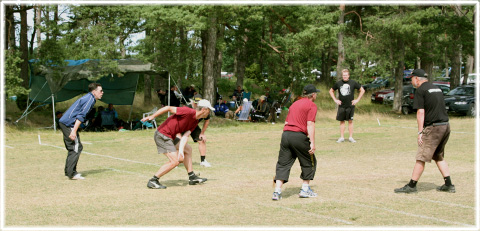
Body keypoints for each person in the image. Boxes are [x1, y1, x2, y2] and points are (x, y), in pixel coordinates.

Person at [394, 69, 455, 194]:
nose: (411, 81)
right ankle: (448, 184)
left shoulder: (420, 90)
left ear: (417, 78)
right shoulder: (436, 88)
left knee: (421, 156)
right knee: (438, 156)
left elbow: (421, 112)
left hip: (434, 128)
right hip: (445, 125)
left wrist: (420, 132)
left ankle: (411, 186)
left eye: (411, 79)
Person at [141, 99, 214, 189]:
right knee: (175, 161)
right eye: (209, 110)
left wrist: (181, 151)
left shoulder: (195, 121)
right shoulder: (188, 111)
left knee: (188, 149)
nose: (209, 112)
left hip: (171, 136)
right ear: (204, 110)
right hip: (162, 135)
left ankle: (192, 177)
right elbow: (168, 108)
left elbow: (185, 137)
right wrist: (153, 116)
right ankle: (153, 180)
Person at [272, 84, 320, 201]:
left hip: (286, 134)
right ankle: (305, 189)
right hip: (298, 135)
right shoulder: (311, 105)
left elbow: (286, 122)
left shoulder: (294, 104)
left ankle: (277, 191)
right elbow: (310, 124)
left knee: (283, 163)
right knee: (310, 160)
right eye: (316, 93)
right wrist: (312, 143)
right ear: (313, 95)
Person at [58, 83, 103, 180]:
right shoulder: (90, 99)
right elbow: (80, 116)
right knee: (75, 148)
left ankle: (69, 171)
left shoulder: (89, 98)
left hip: (65, 122)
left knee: (75, 147)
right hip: (68, 124)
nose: (102, 93)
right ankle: (72, 173)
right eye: (100, 91)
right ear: (94, 92)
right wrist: (74, 131)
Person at [329, 69, 365, 143]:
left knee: (350, 121)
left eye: (346, 75)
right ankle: (342, 137)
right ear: (342, 76)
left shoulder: (353, 82)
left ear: (348, 75)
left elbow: (362, 90)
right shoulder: (338, 83)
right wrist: (335, 100)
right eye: (343, 75)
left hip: (350, 105)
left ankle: (351, 137)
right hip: (342, 106)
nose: (345, 76)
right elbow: (331, 90)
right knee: (342, 121)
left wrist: (357, 100)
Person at [187, 95, 213, 167]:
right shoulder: (188, 108)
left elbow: (207, 121)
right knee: (179, 142)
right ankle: (175, 161)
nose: (196, 105)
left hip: (194, 126)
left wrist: (202, 133)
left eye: (198, 103)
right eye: (195, 103)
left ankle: (203, 161)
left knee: (202, 140)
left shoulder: (204, 109)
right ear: (192, 102)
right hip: (183, 126)